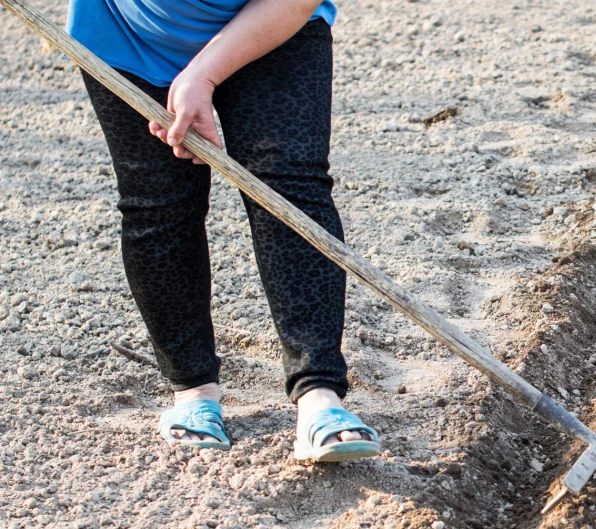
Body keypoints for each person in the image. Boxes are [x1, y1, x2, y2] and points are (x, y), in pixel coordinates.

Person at [69, 0, 380, 460]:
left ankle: (320, 397)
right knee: (159, 205)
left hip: (273, 25)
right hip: (128, 36)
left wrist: (203, 75)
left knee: (288, 189)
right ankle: (194, 394)